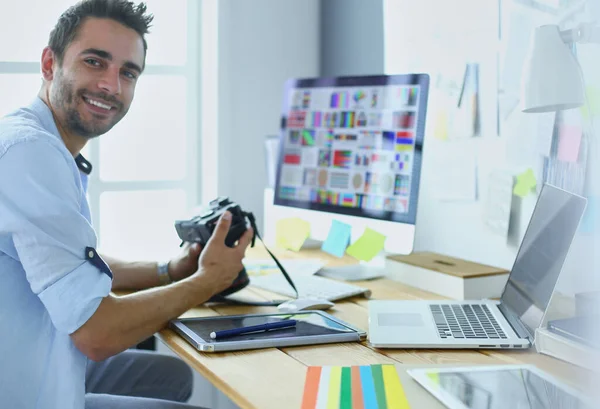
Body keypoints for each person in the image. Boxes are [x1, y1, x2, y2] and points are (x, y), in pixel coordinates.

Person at [0, 1, 253, 408]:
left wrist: (171, 271)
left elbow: (71, 266)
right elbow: (97, 335)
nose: (111, 86)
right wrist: (207, 281)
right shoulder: (30, 152)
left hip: (32, 352)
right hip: (21, 392)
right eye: (95, 62)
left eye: (127, 72)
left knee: (167, 374)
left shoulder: (40, 142)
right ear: (50, 63)